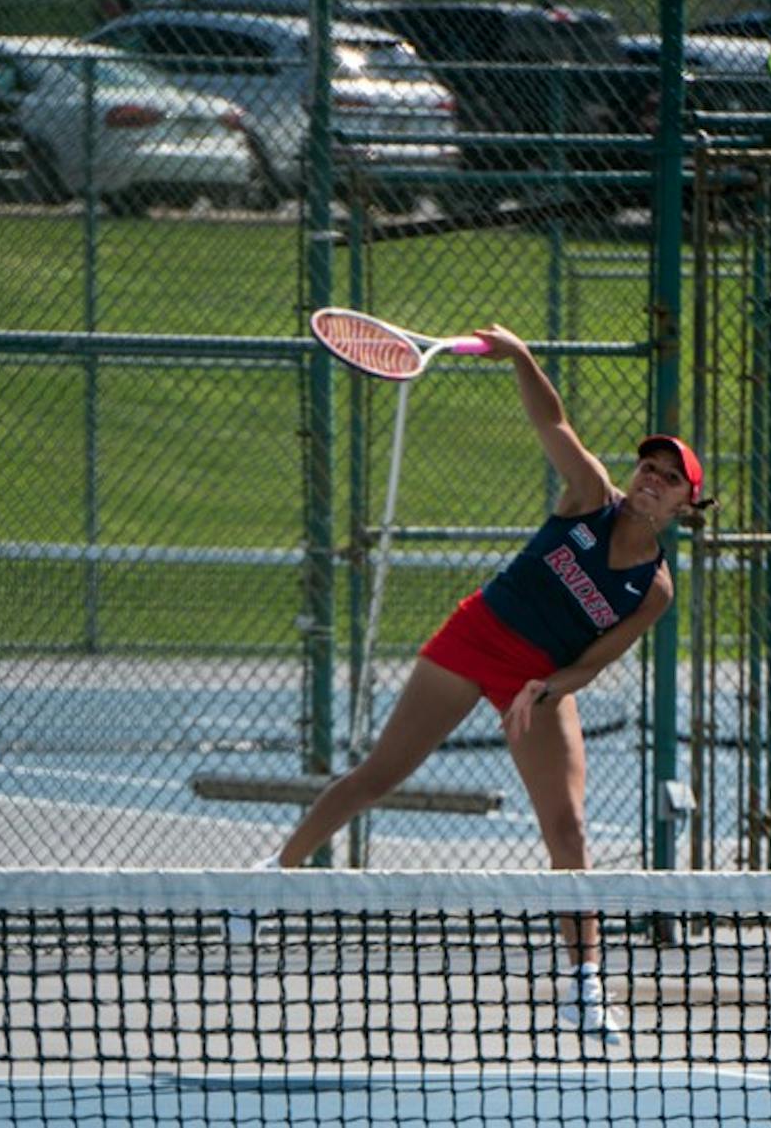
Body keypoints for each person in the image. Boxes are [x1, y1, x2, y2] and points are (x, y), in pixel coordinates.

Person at [245, 324, 708, 1042]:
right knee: (379, 774)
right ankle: (267, 879)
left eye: (668, 477)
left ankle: (584, 988)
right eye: (648, 466)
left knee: (569, 828)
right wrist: (521, 355)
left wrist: (546, 688)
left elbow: (597, 661)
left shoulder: (654, 589)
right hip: (476, 636)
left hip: (539, 679)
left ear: (685, 504)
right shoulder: (589, 495)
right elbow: (550, 420)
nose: (651, 478)